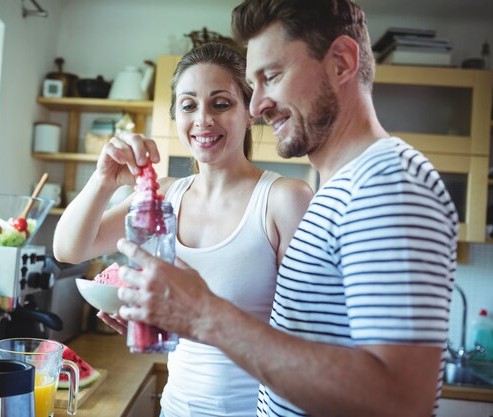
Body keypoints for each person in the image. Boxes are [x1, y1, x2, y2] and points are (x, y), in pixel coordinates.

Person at [115, 1, 458, 416]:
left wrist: (206, 315)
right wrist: (186, 318)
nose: (257, 106)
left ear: (341, 62)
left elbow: (403, 401)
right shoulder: (342, 188)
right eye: (253, 85)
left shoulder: (387, 183)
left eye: (272, 77)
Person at [53, 43, 313, 417]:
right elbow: (68, 249)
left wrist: (198, 319)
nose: (203, 120)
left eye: (220, 103)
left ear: (251, 111)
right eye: (189, 105)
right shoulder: (164, 195)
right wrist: (103, 180)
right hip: (175, 408)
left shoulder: (284, 199)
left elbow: (307, 340)